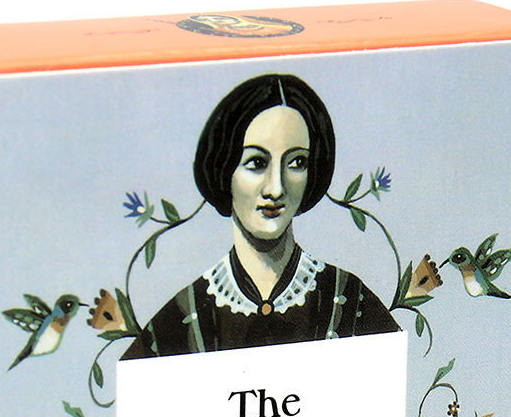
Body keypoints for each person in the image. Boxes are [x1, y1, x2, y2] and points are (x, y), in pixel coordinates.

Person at [121, 74, 399, 359]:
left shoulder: (350, 302)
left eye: (297, 162)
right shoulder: (183, 315)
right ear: (224, 168)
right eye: (256, 162)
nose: (276, 188)